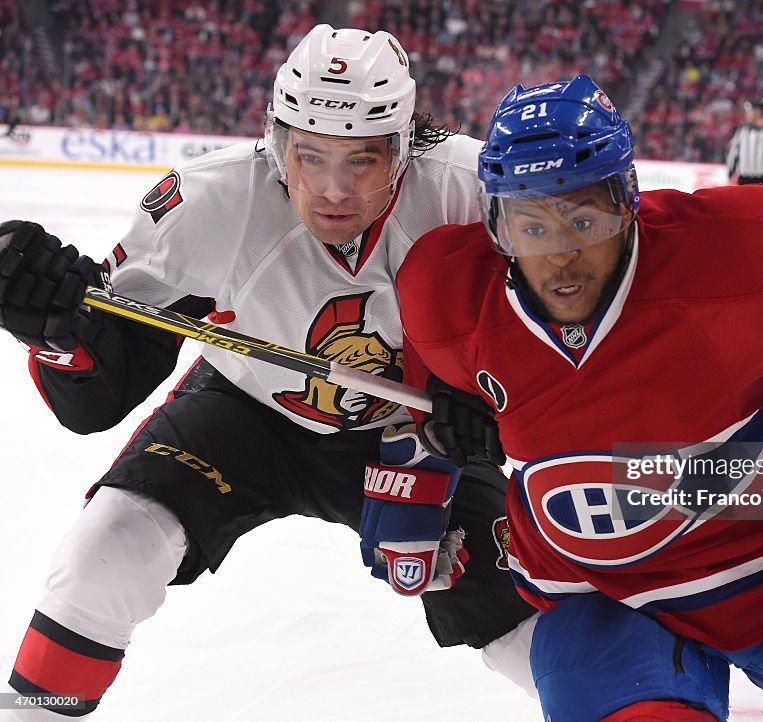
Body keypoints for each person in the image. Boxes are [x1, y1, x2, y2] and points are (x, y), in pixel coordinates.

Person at [386, 75, 763, 721]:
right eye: (532, 225)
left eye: (586, 219)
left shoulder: (733, 253)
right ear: (496, 224)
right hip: (596, 596)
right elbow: (431, 359)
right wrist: (443, 399)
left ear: (628, 202)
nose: (562, 255)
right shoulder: (445, 289)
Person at [0, 25, 536, 720]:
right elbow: (95, 397)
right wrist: (56, 330)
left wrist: (488, 392)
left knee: (525, 618)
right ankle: (42, 709)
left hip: (413, 425)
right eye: (308, 155)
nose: (332, 191)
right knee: (106, 551)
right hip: (243, 410)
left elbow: (564, 326)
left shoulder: (472, 192)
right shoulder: (208, 204)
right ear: (274, 138)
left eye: (363, 160)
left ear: (405, 148)